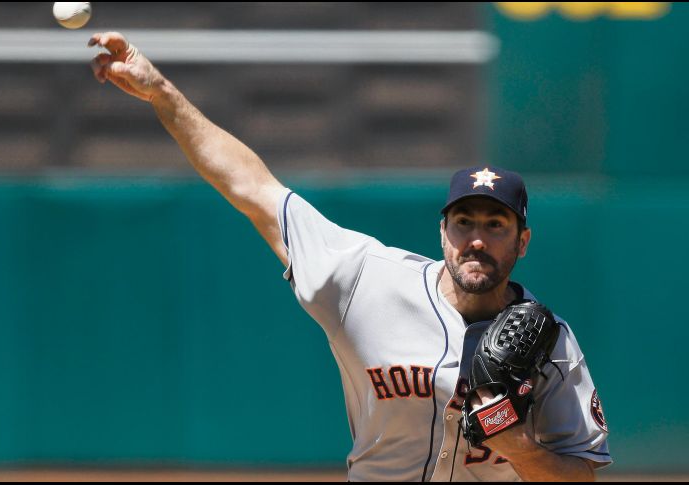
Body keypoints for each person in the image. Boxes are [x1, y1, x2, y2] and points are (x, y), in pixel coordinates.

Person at [88, 32, 611, 482]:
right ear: (443, 232)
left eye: (496, 225)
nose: (476, 239)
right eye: (464, 222)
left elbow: (581, 473)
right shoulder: (365, 278)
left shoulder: (552, 343)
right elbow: (251, 186)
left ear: (522, 242)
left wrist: (518, 445)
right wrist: (162, 94)